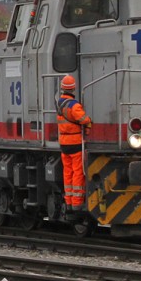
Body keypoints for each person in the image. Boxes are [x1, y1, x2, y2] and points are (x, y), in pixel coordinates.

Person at [56, 74, 92, 217]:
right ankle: (77, 202)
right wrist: (89, 121)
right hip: (75, 143)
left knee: (67, 172)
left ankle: (69, 200)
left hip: (64, 143)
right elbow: (84, 119)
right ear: (74, 88)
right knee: (78, 172)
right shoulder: (74, 105)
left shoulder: (59, 103)